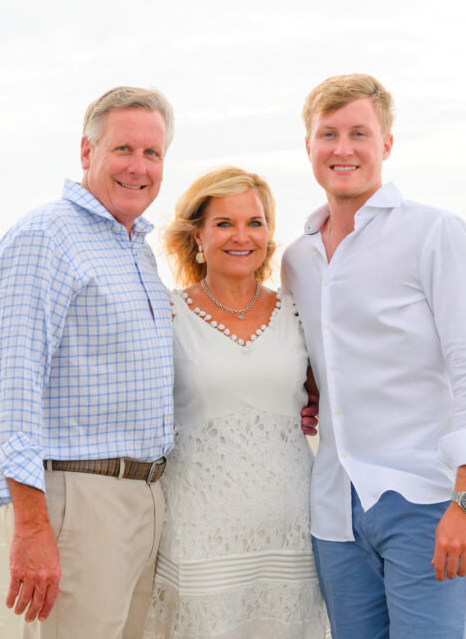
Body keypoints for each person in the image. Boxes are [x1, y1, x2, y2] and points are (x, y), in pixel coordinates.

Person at [281, 73, 466, 638]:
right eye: (327, 134)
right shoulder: (297, 259)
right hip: (333, 507)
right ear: (307, 146)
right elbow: (319, 362)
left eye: (359, 133)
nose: (343, 148)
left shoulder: (435, 233)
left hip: (425, 500)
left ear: (386, 144)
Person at [0, 86, 177, 638]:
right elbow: (12, 390)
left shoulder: (136, 249)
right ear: (87, 153)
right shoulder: (45, 238)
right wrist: (32, 527)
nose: (138, 167)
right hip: (81, 503)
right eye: (123, 150)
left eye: (152, 154)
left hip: (149, 497)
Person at [142, 166, 327, 638]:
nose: (241, 236)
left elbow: (336, 388)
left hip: (290, 524)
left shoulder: (299, 309)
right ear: (198, 236)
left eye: (255, 222)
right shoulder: (165, 313)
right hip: (199, 526)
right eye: (224, 223)